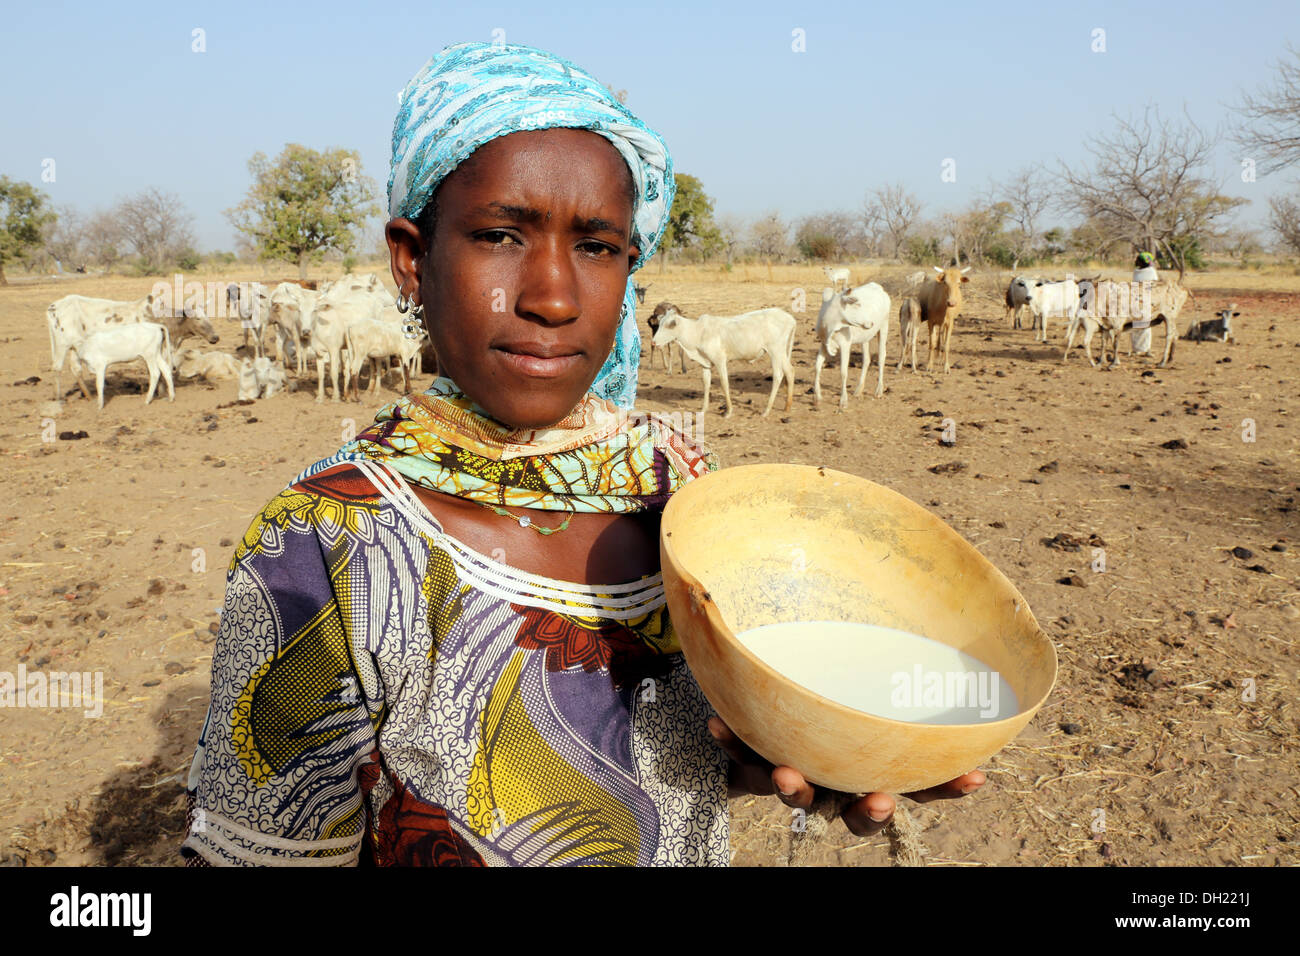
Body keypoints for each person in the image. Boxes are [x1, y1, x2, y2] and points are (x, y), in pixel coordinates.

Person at [180, 41, 983, 867]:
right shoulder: (322, 545)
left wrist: (803, 750)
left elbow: (683, 771)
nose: (555, 297)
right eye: (499, 235)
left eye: (598, 247)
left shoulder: (678, 489)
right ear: (411, 260)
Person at [1130, 250, 1159, 355]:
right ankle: (1141, 349)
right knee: (1140, 326)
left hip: (1141, 299)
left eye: (1138, 260)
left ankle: (1141, 349)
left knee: (1141, 325)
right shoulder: (1144, 271)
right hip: (1141, 299)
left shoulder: (1143, 272)